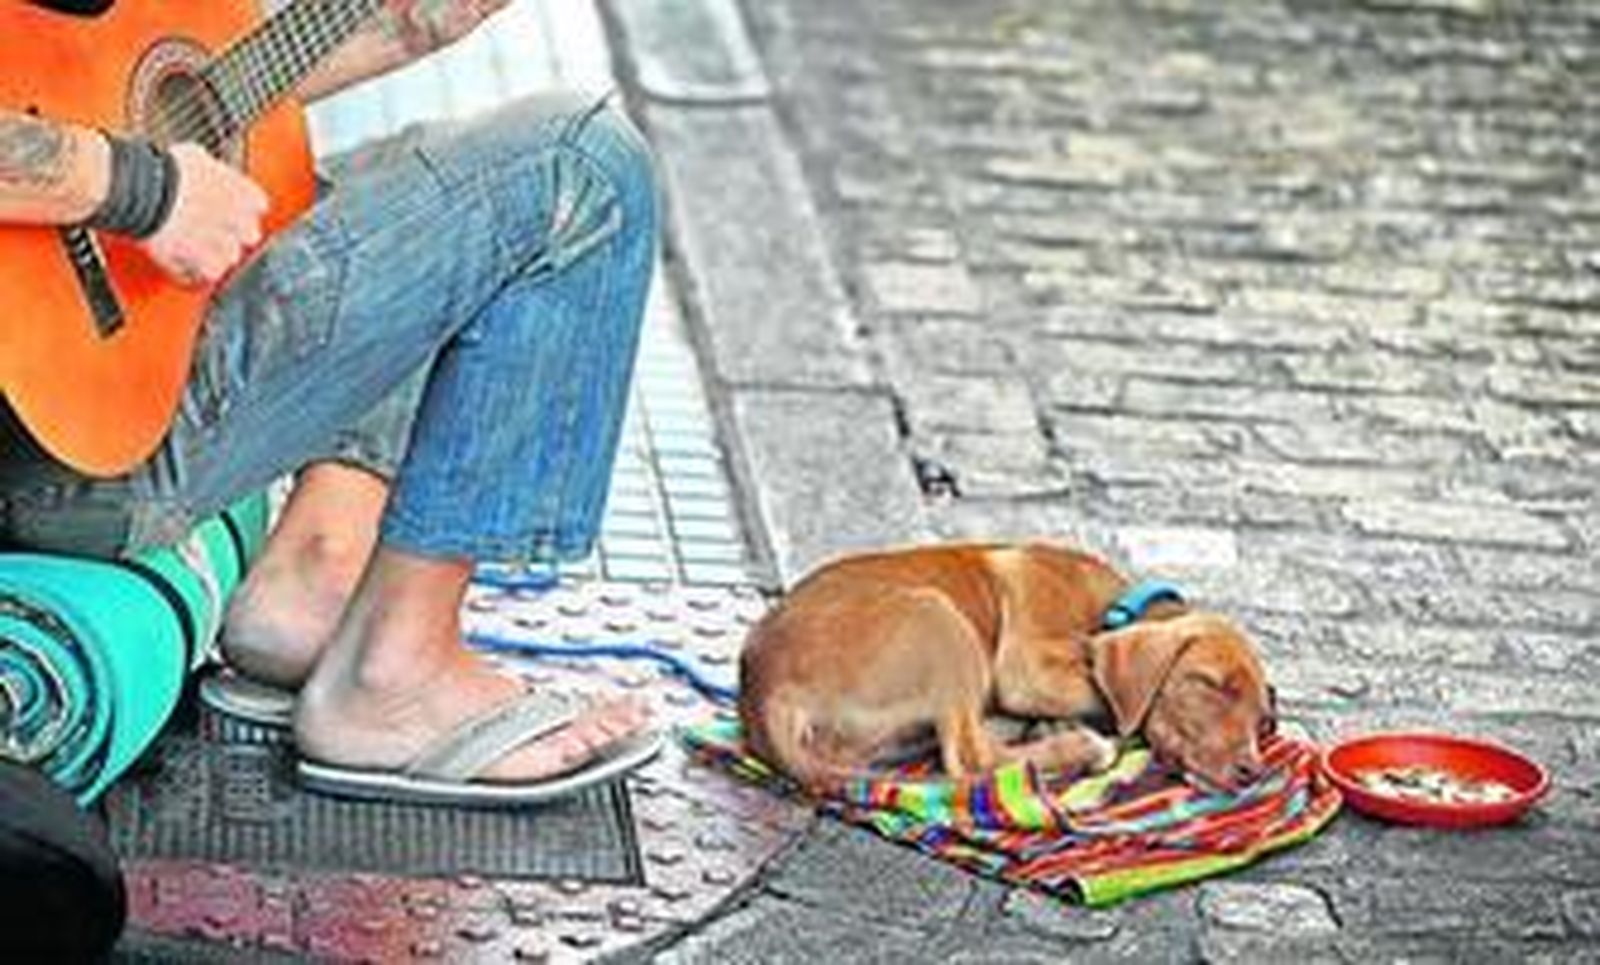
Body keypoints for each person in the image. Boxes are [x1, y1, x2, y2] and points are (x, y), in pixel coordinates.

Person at [0, 0, 660, 802]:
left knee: (417, 171)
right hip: (59, 446)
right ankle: (394, 678)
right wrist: (143, 187)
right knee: (577, 165)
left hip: (66, 400)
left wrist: (407, 27)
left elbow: (194, 86)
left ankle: (319, 567)